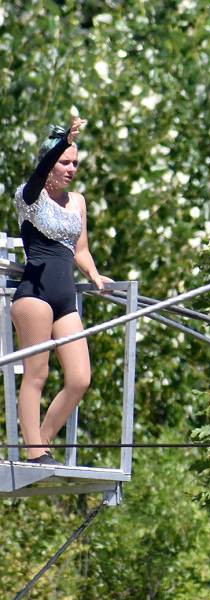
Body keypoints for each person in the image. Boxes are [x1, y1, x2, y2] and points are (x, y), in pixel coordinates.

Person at [11, 117, 112, 464]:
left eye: (75, 163)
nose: (71, 169)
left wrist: (96, 276)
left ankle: (41, 443)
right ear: (50, 163)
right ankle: (35, 451)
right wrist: (62, 141)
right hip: (34, 297)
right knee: (37, 374)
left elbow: (80, 250)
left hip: (64, 300)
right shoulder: (30, 196)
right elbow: (37, 174)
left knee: (80, 378)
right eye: (64, 162)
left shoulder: (78, 202)